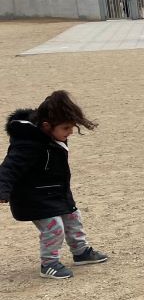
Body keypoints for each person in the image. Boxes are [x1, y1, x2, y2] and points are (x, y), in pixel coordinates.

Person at [0, 91, 109, 279]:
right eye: (66, 128)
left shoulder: (53, 137)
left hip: (56, 192)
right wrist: (2, 190)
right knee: (54, 227)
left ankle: (80, 252)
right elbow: (9, 168)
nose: (70, 132)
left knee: (73, 218)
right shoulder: (27, 144)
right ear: (46, 126)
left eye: (72, 127)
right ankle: (49, 264)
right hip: (33, 197)